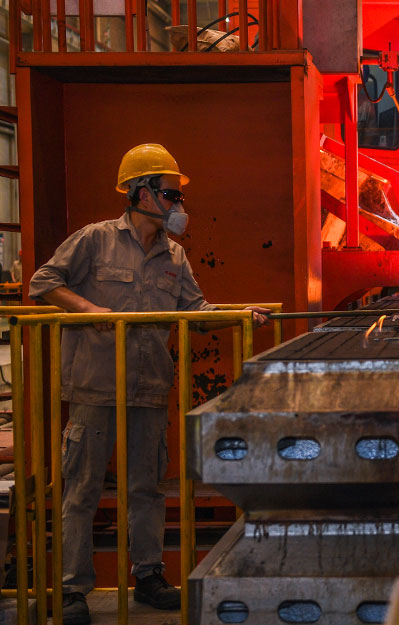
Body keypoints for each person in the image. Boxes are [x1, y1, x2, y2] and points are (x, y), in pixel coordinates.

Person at [28, 144, 269, 625]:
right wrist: (88, 309)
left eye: (179, 196)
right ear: (142, 193)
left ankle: (148, 576)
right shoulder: (95, 240)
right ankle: (73, 589)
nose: (179, 204)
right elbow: (43, 282)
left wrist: (240, 314)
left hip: (148, 386)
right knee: (82, 489)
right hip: (96, 384)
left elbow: (195, 311)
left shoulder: (174, 255)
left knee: (146, 488)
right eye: (172, 194)